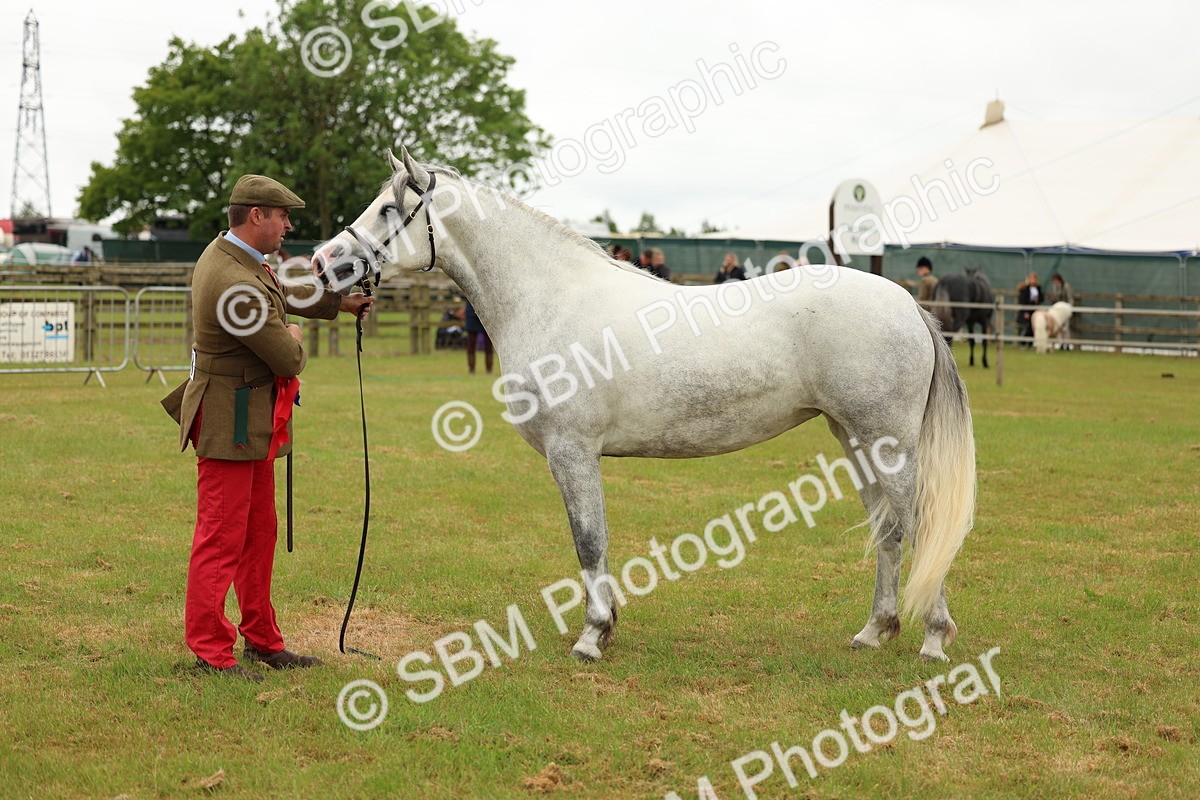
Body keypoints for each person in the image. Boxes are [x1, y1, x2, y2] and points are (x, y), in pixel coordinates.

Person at [161, 174, 374, 682]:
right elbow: (287, 354)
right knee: (220, 537)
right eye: (283, 216)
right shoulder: (232, 278)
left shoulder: (239, 259)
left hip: (248, 419)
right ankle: (211, 651)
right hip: (229, 420)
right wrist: (297, 334)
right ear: (256, 215)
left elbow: (278, 294)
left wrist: (334, 303)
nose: (289, 225)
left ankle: (262, 639)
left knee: (259, 534)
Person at [464, 298, 493, 374]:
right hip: (471, 313)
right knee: (471, 344)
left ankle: (489, 370)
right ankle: (471, 369)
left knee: (488, 345)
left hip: (486, 313)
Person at [1017, 272, 1044, 346]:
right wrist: (1026, 311)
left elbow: (1041, 298)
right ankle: (1023, 342)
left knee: (1034, 327)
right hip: (1027, 311)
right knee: (1027, 327)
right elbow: (1022, 300)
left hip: (1035, 311)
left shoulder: (1038, 288)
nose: (1033, 280)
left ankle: (1030, 343)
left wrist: (1037, 300)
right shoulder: (1025, 289)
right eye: (1031, 279)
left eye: (1034, 279)